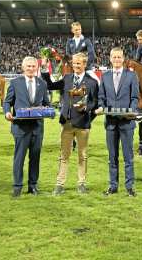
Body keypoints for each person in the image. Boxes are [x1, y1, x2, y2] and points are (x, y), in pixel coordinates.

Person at [40, 52, 99, 196]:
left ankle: (81, 183)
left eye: (79, 63)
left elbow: (95, 102)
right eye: (74, 63)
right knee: (63, 155)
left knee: (82, 155)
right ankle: (60, 184)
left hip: (83, 123)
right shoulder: (67, 78)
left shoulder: (92, 81)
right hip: (67, 123)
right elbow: (50, 85)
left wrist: (87, 107)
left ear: (84, 64)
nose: (76, 65)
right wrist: (44, 68)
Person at [3, 56, 51, 198]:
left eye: (33, 66)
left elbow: (47, 103)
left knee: (35, 157)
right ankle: (17, 186)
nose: (31, 69)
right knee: (19, 157)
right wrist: (6, 112)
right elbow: (7, 102)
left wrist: (47, 109)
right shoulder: (15, 83)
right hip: (20, 127)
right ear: (23, 68)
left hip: (37, 127)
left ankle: (33, 186)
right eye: (28, 66)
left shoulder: (42, 84)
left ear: (37, 68)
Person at [95, 47, 139, 197]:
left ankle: (129, 187)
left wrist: (131, 111)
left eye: (119, 57)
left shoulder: (132, 75)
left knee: (128, 157)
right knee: (112, 157)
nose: (117, 60)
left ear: (123, 58)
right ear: (110, 58)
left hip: (127, 123)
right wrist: (101, 106)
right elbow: (101, 96)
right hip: (111, 123)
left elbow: (134, 98)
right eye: (114, 57)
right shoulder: (105, 76)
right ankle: (113, 186)